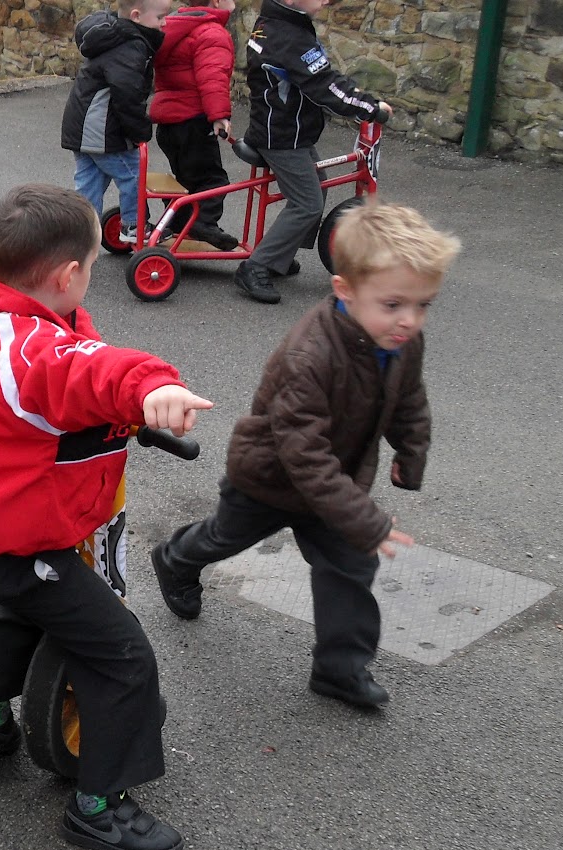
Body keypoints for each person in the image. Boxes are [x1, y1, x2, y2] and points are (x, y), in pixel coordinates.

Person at [0, 183, 212, 850]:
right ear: (68, 274)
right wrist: (152, 386)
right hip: (7, 544)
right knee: (123, 654)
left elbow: (78, 361)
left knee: (29, 605)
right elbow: (84, 371)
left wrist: (126, 408)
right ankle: (100, 805)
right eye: (95, 266)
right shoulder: (26, 352)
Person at [150, 203, 461, 708]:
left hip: (336, 488)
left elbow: (409, 397)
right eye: (394, 304)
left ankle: (341, 670)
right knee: (222, 537)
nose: (409, 320)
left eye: (423, 305)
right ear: (345, 290)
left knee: (349, 571)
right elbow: (305, 455)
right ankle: (175, 558)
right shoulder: (308, 356)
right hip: (269, 480)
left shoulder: (402, 340)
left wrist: (412, 449)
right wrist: (367, 519)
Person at [233, 0, 391, 303]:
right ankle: (256, 267)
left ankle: (278, 253)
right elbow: (324, 85)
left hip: (286, 130)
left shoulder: (276, 23)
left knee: (317, 185)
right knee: (307, 202)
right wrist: (369, 107)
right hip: (280, 136)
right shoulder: (289, 37)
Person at [61, 0, 173, 244]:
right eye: (160, 17)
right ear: (136, 16)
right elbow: (127, 95)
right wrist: (140, 131)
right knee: (133, 174)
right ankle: (134, 226)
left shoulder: (111, 36)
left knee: (89, 182)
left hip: (82, 126)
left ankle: (78, 235)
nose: (164, 23)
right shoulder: (131, 46)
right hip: (101, 129)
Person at [150, 0, 240, 250]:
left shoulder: (176, 26)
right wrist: (219, 115)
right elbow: (213, 77)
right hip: (194, 119)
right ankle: (203, 224)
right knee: (212, 179)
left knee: (187, 178)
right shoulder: (211, 32)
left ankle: (180, 222)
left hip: (170, 123)